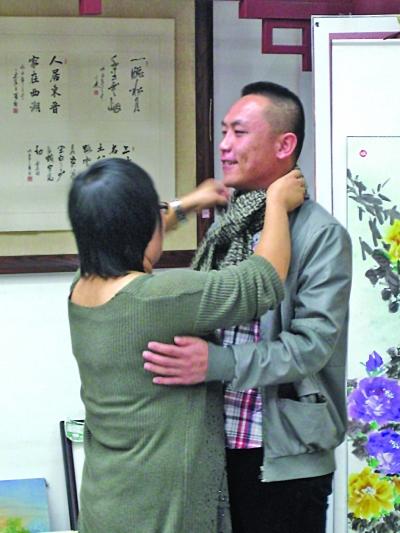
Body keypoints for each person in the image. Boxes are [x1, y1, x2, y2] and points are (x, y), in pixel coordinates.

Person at [143, 82, 353, 533]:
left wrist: (214, 362)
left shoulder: (321, 235)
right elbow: (124, 238)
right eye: (224, 131)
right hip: (213, 445)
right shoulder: (230, 224)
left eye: (238, 132)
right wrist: (187, 203)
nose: (224, 145)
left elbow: (311, 347)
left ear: (284, 145)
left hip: (282, 457)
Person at [67, 156, 305, 533]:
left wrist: (188, 203)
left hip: (106, 501)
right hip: (161, 512)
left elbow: (119, 229)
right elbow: (263, 280)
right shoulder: (160, 298)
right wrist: (276, 202)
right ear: (140, 226)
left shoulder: (81, 286)